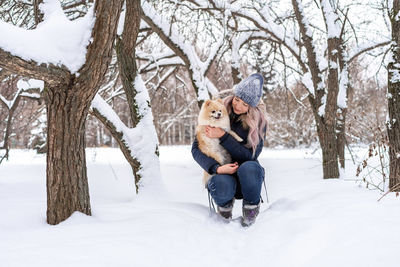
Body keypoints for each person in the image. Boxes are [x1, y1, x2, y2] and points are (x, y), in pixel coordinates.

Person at [191, 73, 268, 226]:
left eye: (245, 104)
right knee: (221, 183)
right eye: (237, 99)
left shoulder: (259, 123)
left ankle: (251, 210)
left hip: (246, 177)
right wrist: (216, 168)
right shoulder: (217, 110)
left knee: (250, 167)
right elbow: (196, 149)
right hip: (223, 175)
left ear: (251, 107)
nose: (238, 105)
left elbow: (250, 155)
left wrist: (223, 136)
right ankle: (224, 210)